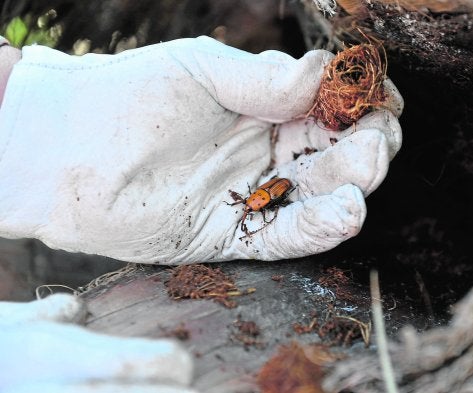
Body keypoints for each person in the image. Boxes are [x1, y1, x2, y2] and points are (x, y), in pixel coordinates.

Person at [0, 35, 403, 392]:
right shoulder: (254, 201)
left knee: (285, 195)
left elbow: (270, 196)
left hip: (270, 179)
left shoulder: (257, 199)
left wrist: (31, 104)